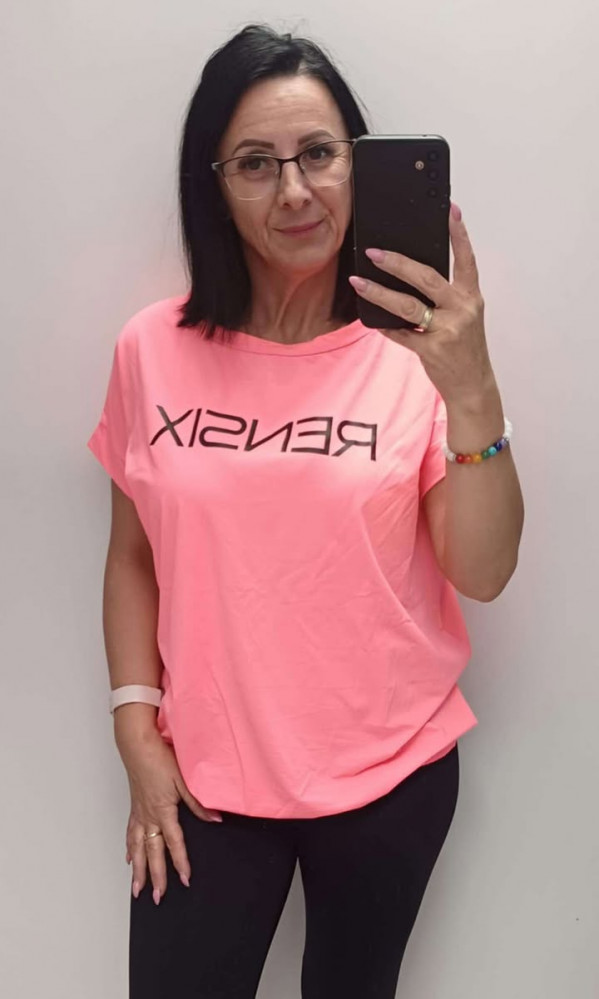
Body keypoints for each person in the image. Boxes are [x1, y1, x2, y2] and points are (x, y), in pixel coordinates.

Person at [87, 22, 524, 999]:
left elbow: (483, 573)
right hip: (203, 777)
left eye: (319, 154)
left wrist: (472, 389)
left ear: (356, 165)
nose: (293, 191)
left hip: (388, 773)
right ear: (214, 183)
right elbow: (132, 557)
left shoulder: (417, 356)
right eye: (255, 163)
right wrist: (135, 733)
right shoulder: (149, 348)